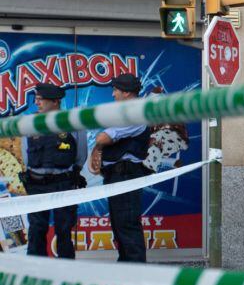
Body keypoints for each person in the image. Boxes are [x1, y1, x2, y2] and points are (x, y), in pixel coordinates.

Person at [89, 73, 151, 263]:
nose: (113, 94)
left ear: (127, 93)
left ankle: (135, 275)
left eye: (116, 90)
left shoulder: (136, 114)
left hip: (126, 175)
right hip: (117, 176)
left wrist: (97, 148)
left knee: (127, 225)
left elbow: (103, 138)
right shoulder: (126, 113)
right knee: (119, 225)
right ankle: (125, 269)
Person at [22, 83, 86, 259]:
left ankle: (66, 274)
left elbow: (81, 155)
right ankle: (36, 274)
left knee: (64, 231)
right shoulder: (29, 122)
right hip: (36, 184)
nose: (37, 103)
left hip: (62, 184)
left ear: (56, 102)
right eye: (36, 99)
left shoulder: (72, 122)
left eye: (41, 99)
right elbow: (25, 156)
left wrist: (71, 174)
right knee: (36, 230)